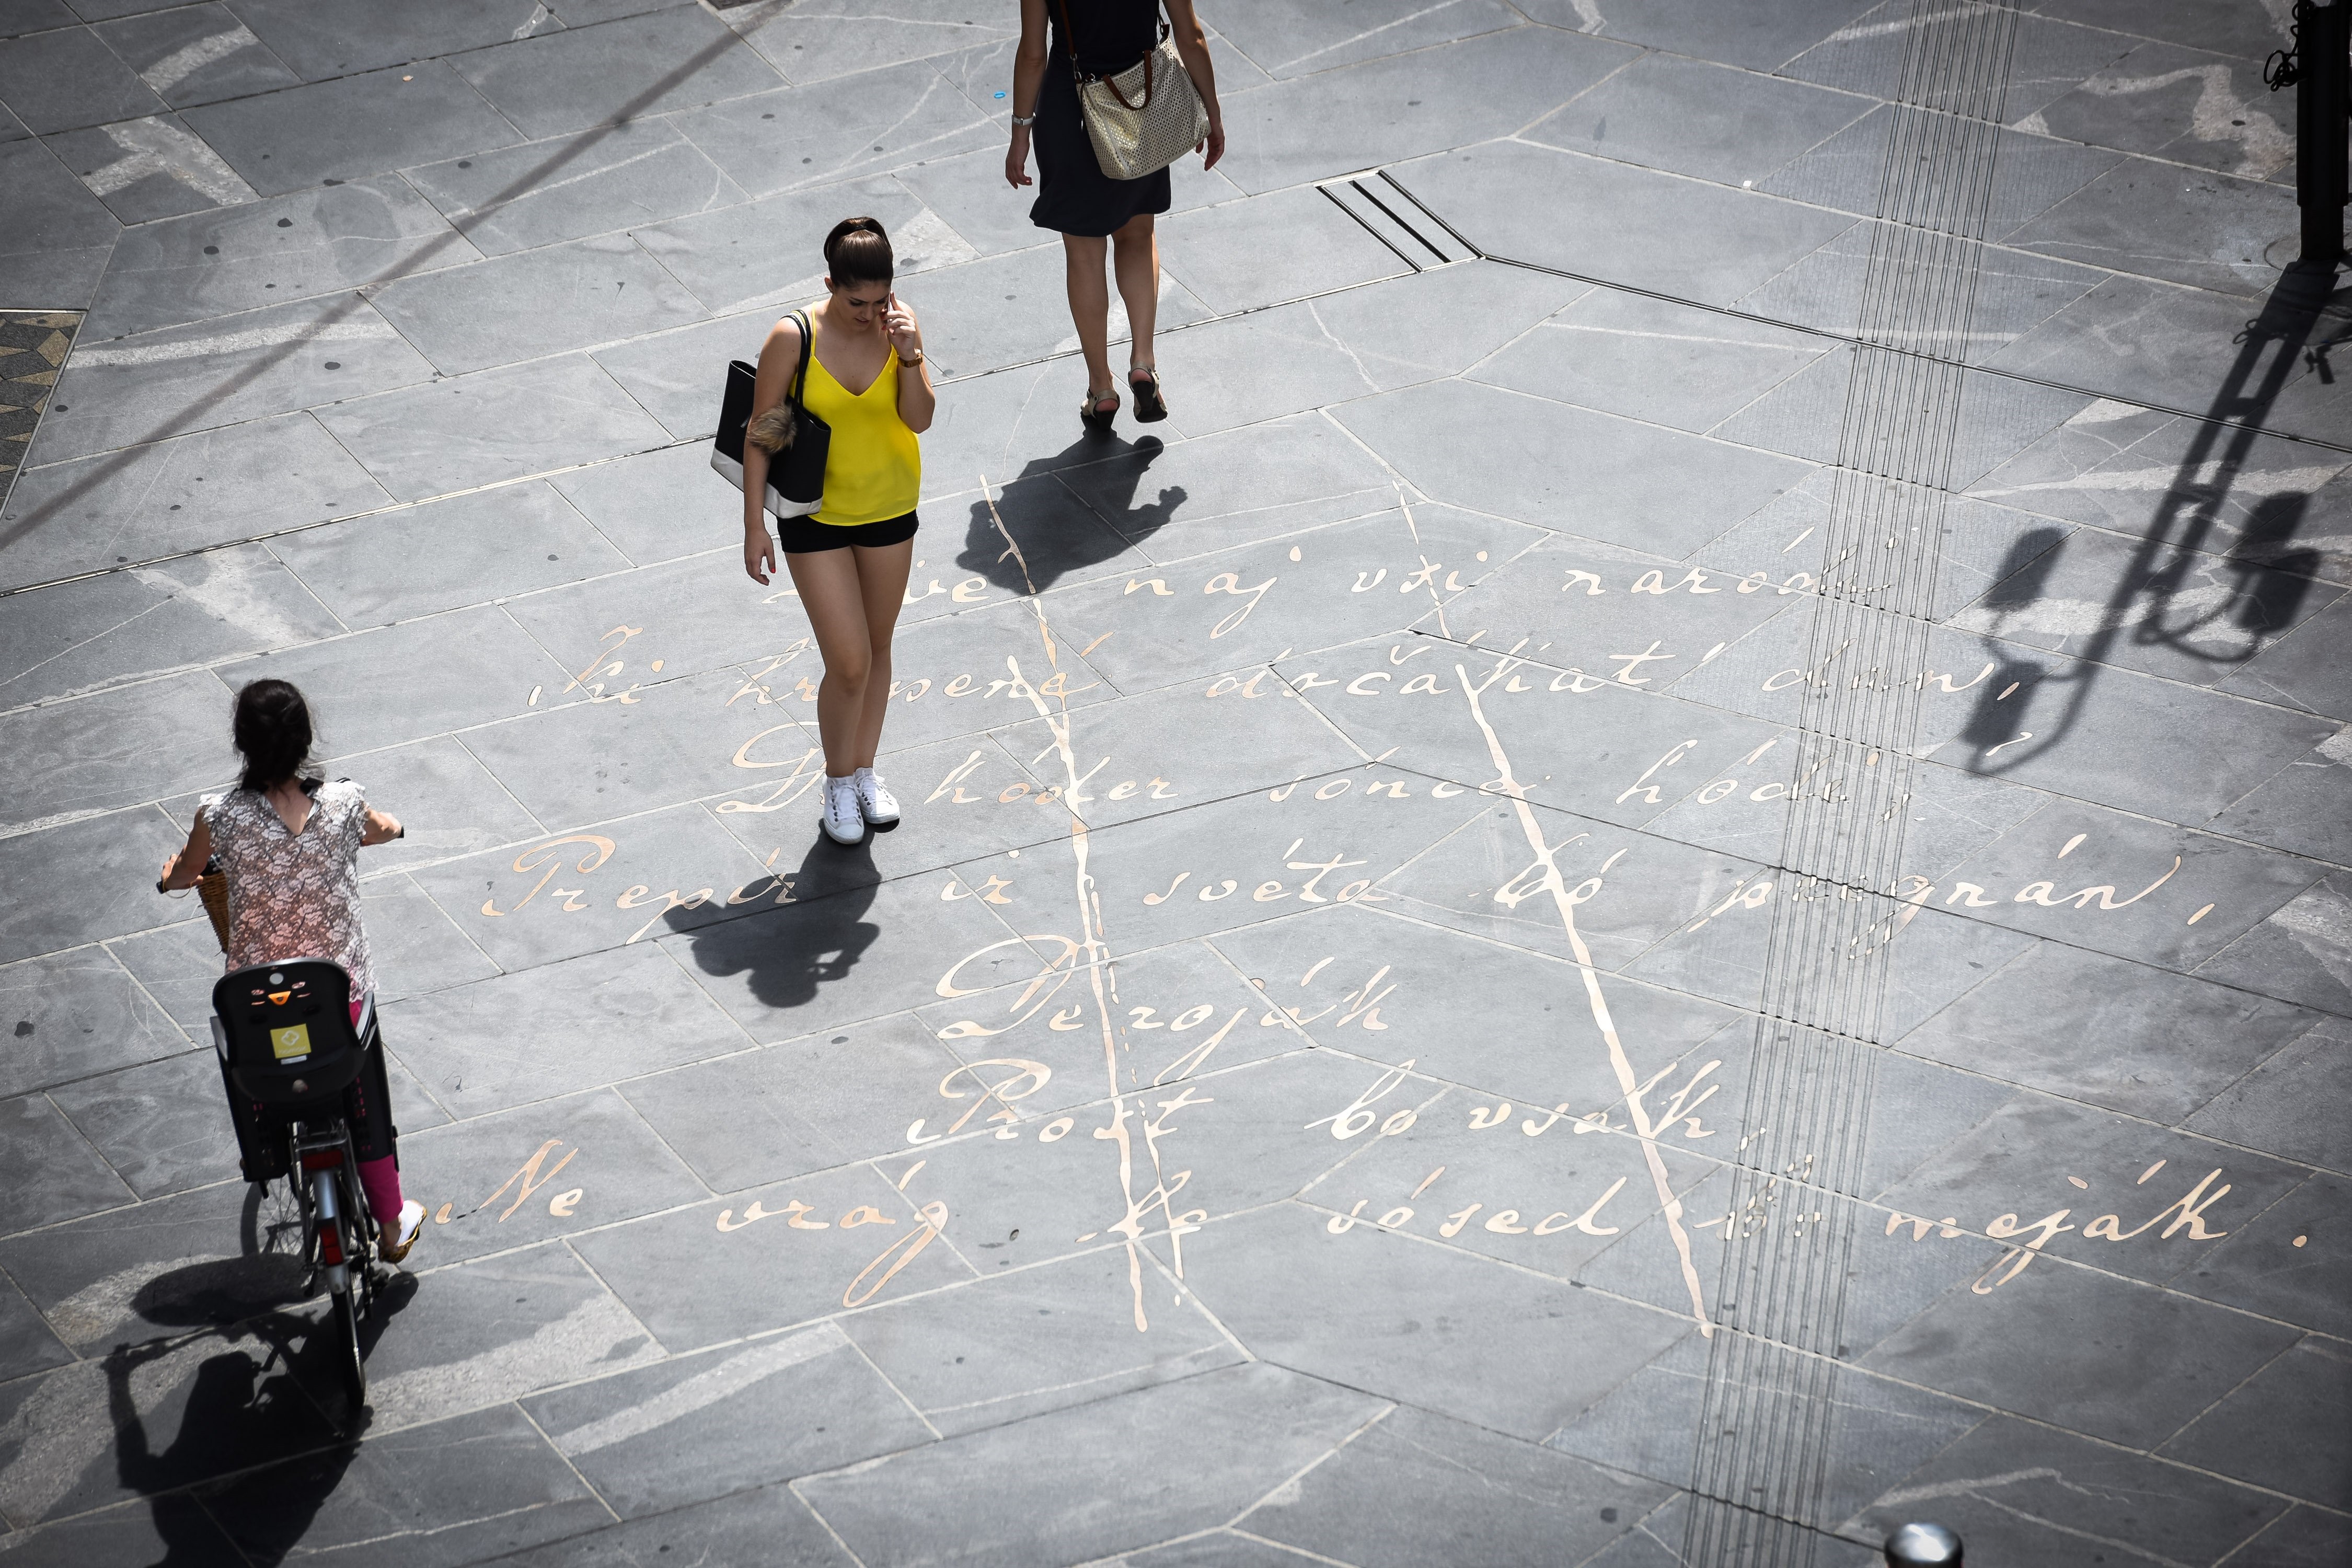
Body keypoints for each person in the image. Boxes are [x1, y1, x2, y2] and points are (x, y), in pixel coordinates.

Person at [158, 678, 425, 1263]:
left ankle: (267, 1146)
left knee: (246, 1049)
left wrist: (169, 877)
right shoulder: (345, 802)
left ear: (241, 742)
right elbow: (380, 828)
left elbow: (185, 873)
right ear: (305, 738)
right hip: (337, 994)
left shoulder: (219, 815)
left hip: (258, 1000)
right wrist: (397, 828)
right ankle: (389, 1223)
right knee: (367, 1093)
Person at [741, 216, 936, 845]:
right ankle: (836, 780)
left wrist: (910, 355)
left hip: (889, 508)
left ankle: (865, 774)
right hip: (815, 516)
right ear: (830, 284)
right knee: (848, 662)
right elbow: (759, 435)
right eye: (858, 302)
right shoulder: (792, 338)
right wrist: (754, 526)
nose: (871, 313)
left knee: (878, 650)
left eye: (882, 300)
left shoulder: (900, 330)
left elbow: (920, 418)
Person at [1005, 0, 1224, 430]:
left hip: (1073, 112)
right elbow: (1191, 35)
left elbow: (1033, 53)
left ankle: (1101, 386)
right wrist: (1211, 114)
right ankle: (1143, 360)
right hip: (1142, 100)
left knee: (1085, 254)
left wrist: (1020, 133)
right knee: (1138, 234)